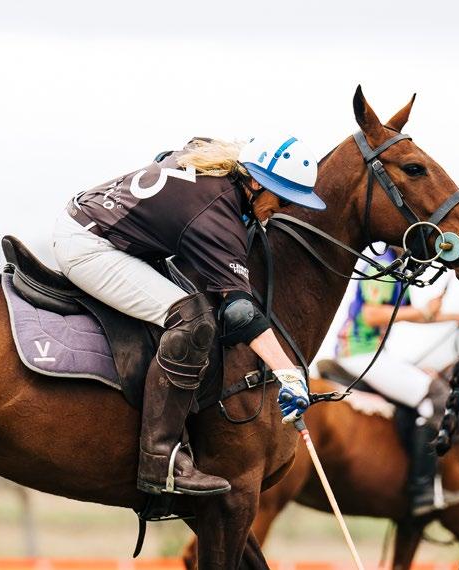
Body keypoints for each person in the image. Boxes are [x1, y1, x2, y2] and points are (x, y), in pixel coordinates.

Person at [52, 136, 323, 496]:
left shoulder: (214, 159)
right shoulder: (216, 215)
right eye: (284, 199)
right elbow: (240, 312)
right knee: (193, 321)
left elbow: (165, 156)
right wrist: (287, 373)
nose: (285, 210)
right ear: (256, 183)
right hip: (89, 247)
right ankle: (161, 459)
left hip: (91, 218)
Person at [336, 247, 459, 516]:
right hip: (359, 354)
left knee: (427, 386)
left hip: (372, 354)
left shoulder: (399, 269)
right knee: (438, 397)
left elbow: (410, 313)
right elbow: (371, 314)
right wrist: (423, 311)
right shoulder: (382, 266)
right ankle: (421, 490)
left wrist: (455, 317)